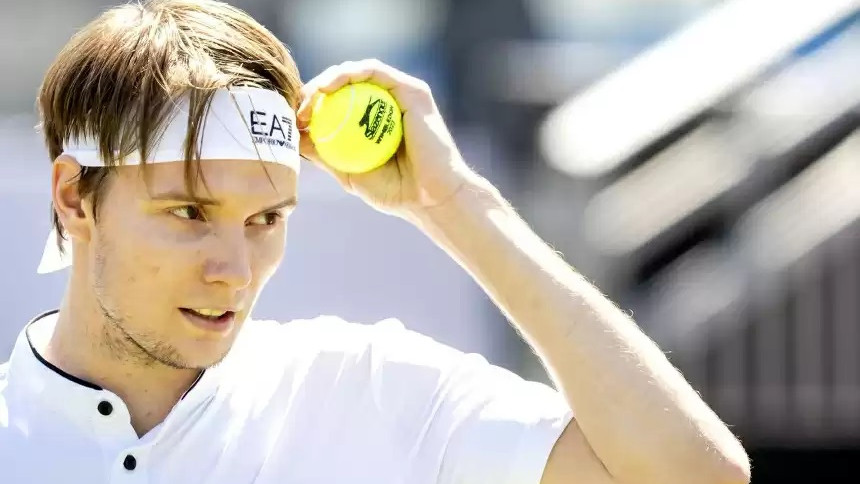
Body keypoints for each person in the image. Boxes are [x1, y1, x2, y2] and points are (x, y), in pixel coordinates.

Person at [0, 1, 750, 483]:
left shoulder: (367, 387)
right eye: (190, 212)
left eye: (266, 219)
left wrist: (452, 202)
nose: (234, 271)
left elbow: (695, 475)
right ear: (74, 197)